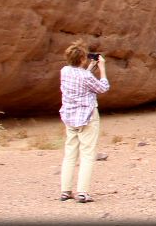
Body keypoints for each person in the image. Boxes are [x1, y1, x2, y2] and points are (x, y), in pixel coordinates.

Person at [58, 41, 110, 203]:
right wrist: (101, 69)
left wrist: (89, 69)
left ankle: (65, 191)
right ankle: (82, 193)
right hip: (87, 117)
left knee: (70, 154)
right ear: (82, 59)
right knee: (87, 154)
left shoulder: (64, 71)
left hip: (70, 117)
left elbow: (80, 78)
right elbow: (103, 88)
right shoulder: (86, 75)